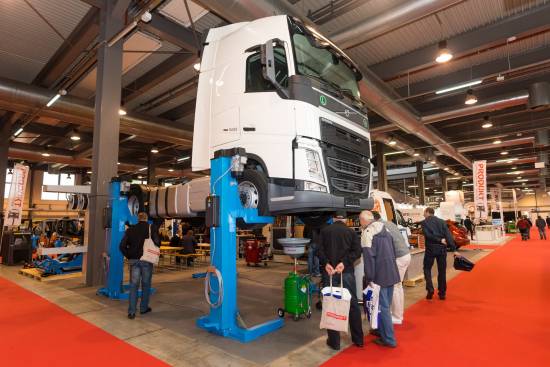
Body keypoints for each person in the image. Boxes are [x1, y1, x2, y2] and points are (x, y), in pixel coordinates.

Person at [318, 211, 364, 351]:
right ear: (345, 219)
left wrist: (326, 263)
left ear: (333, 218)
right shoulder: (351, 232)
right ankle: (358, 339)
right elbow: (357, 251)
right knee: (352, 304)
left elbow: (319, 250)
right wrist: (344, 263)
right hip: (346, 272)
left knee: (330, 304)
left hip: (329, 272)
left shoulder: (325, 231)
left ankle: (334, 342)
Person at [360, 211, 400, 348]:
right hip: (391, 272)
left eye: (360, 221)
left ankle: (389, 339)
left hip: (379, 276)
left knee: (382, 309)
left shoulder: (367, 233)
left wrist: (369, 277)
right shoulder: (385, 229)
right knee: (385, 307)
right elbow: (394, 250)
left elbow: (368, 258)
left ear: (363, 220)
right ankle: (382, 333)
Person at [371, 212, 411, 325]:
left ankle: (397, 316)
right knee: (397, 287)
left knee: (395, 287)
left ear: (374, 219)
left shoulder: (378, 226)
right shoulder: (389, 223)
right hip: (404, 255)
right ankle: (397, 314)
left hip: (399, 258)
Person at [119, 212, 160, 319]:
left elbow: (122, 245)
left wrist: (129, 255)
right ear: (146, 218)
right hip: (146, 260)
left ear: (138, 219)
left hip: (134, 260)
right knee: (146, 285)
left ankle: (132, 312)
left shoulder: (130, 230)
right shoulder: (151, 227)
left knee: (133, 286)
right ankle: (143, 308)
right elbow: (157, 241)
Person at [420, 207, 460, 300]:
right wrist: (454, 249)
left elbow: (428, 235)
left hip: (430, 249)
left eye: (424, 213)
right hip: (442, 249)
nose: (423, 214)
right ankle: (442, 293)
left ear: (427, 212)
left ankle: (430, 289)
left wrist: (439, 240)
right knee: (442, 271)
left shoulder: (424, 222)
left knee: (427, 268)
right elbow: (448, 235)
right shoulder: (442, 222)